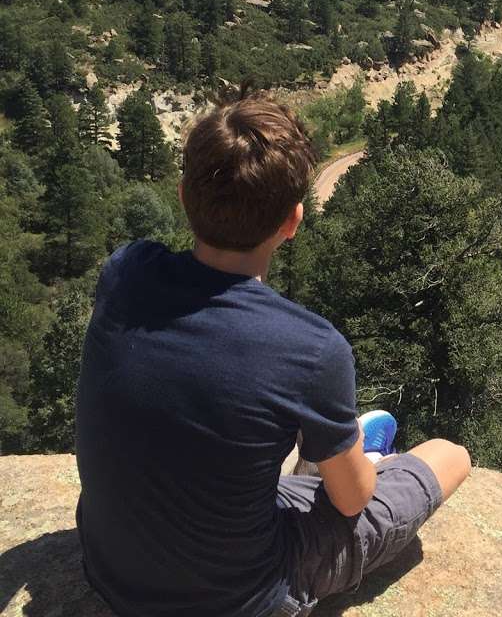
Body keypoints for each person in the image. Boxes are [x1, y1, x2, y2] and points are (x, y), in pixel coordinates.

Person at [75, 87, 471, 617]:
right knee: (448, 455)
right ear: (292, 221)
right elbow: (353, 504)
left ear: (183, 196)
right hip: (242, 595)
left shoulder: (125, 271)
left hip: (110, 570)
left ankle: (335, 447)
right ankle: (354, 450)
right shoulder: (310, 348)